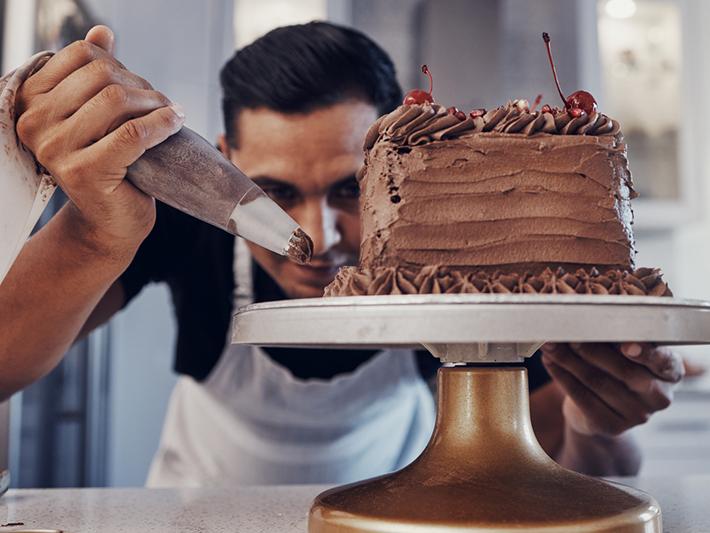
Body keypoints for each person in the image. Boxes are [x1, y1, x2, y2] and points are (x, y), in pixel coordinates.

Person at [0, 22, 684, 486]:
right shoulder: (182, 223)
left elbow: (576, 462)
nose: (317, 239)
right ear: (226, 165)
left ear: (401, 172)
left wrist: (596, 418)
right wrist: (95, 234)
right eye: (272, 192)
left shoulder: (446, 262)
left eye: (350, 190)